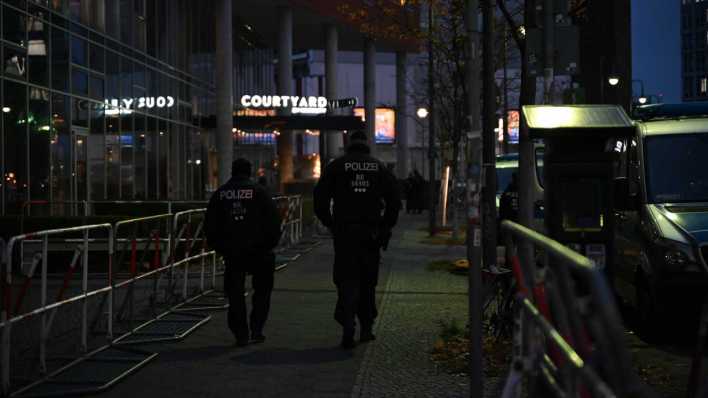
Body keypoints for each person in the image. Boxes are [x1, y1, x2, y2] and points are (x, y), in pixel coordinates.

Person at [313, 130, 401, 349]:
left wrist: (330, 223)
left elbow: (320, 197)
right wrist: (385, 227)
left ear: (350, 145)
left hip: (344, 232)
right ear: (366, 145)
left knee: (345, 278)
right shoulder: (378, 166)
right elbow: (394, 200)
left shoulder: (337, 166)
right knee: (368, 280)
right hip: (371, 234)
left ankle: (347, 320)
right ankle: (367, 327)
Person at [205, 158, 282, 347]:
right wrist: (268, 245)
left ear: (232, 171)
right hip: (260, 251)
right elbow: (274, 222)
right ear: (250, 172)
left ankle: (240, 333)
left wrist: (222, 248)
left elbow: (210, 226)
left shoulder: (221, 194)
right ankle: (256, 330)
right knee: (262, 292)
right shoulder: (260, 193)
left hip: (232, 253)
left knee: (235, 294)